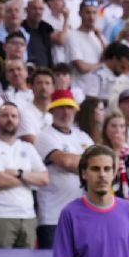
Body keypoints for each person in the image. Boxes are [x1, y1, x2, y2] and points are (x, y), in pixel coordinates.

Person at [0, 103, 49, 249]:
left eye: (14, 116)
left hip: (28, 217)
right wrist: (30, 179)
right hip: (0, 216)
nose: (9, 119)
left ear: (19, 121)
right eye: (5, 116)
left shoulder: (28, 147)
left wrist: (19, 173)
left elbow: (44, 179)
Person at [35, 89, 94, 248]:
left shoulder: (83, 136)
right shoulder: (45, 136)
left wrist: (83, 163)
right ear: (52, 110)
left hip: (81, 215)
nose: (65, 112)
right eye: (61, 107)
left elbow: (98, 162)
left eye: (69, 107)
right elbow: (66, 162)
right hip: (53, 217)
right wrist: (90, 164)